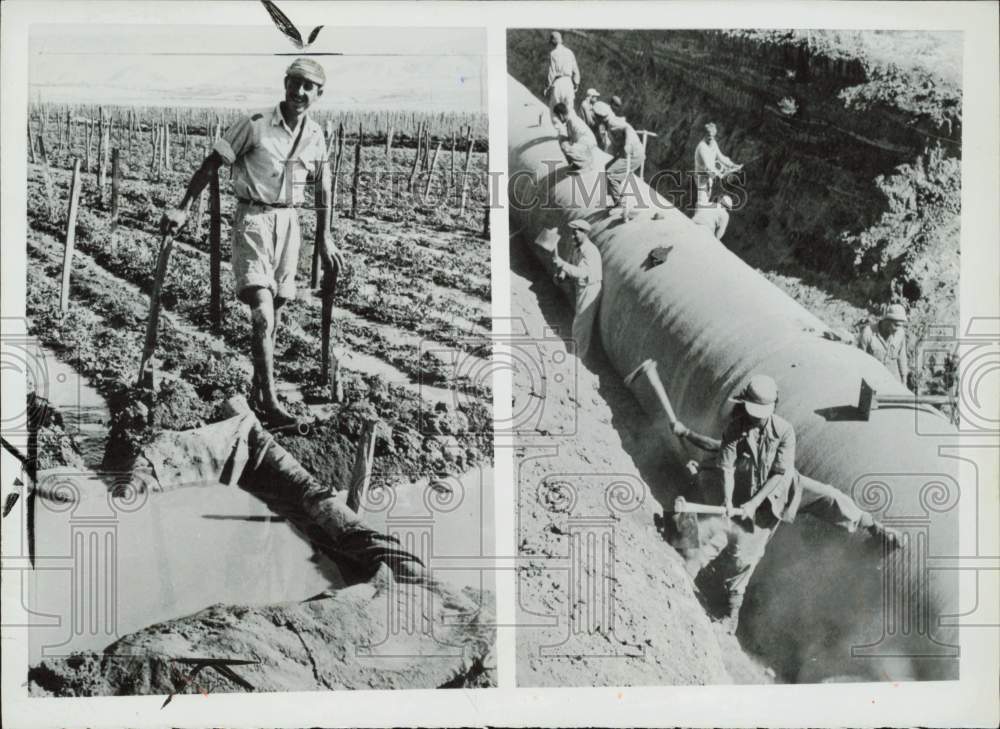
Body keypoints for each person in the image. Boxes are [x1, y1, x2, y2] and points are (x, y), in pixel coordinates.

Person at [160, 58, 344, 428]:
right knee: (261, 312)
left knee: (274, 316)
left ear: (319, 94)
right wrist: (183, 208)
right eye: (295, 83)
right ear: (285, 83)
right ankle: (273, 406)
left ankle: (260, 393)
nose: (300, 92)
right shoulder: (255, 125)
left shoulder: (316, 135)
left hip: (289, 223)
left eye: (309, 87)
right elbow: (212, 163)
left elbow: (323, 186)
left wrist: (325, 237)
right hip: (254, 220)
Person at [671, 374, 902, 633]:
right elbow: (724, 463)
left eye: (761, 413)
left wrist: (754, 502)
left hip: (785, 487)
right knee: (744, 555)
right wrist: (728, 501)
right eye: (751, 411)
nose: (755, 419)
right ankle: (731, 615)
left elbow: (780, 473)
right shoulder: (735, 429)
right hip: (752, 499)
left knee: (830, 497)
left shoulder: (784, 431)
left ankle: (875, 528)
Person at [552, 219, 603, 360]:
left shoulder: (590, 251)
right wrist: (562, 275)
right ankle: (577, 355)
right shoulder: (576, 248)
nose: (572, 237)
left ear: (585, 233)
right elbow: (570, 265)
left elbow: (582, 273)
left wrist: (561, 264)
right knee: (579, 324)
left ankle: (579, 359)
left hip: (590, 289)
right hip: (581, 288)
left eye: (576, 234)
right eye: (572, 234)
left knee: (581, 326)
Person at [593, 102, 644, 211]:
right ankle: (615, 198)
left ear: (600, 117)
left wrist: (628, 144)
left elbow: (628, 129)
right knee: (608, 168)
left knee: (611, 174)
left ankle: (620, 203)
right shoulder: (607, 124)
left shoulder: (612, 123)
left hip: (633, 153)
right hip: (627, 153)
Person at [858, 303, 910, 387]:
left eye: (901, 326)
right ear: (887, 320)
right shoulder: (868, 333)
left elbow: (902, 357)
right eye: (896, 325)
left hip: (893, 383)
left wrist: (904, 380)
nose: (898, 329)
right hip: (873, 383)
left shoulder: (900, 333)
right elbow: (860, 362)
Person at [694, 122, 740, 205]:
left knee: (707, 198)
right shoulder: (702, 147)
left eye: (712, 136)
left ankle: (701, 214)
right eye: (708, 135)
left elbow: (721, 157)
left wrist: (733, 165)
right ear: (704, 134)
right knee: (702, 200)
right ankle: (698, 216)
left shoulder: (713, 143)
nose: (710, 138)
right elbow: (708, 166)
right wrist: (720, 174)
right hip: (701, 176)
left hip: (709, 176)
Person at [544, 31, 580, 126]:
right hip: (569, 83)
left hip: (558, 83)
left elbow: (552, 72)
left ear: (553, 41)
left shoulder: (553, 53)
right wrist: (576, 83)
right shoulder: (570, 52)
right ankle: (572, 130)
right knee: (569, 109)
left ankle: (560, 132)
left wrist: (547, 87)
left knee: (554, 108)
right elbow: (576, 70)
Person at [553, 102, 597, 171]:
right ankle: (577, 162)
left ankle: (583, 163)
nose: (558, 119)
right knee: (563, 139)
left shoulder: (571, 121)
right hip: (586, 144)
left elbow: (574, 140)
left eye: (558, 117)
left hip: (587, 146)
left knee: (564, 145)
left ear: (561, 115)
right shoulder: (571, 119)